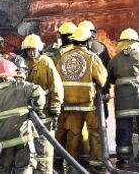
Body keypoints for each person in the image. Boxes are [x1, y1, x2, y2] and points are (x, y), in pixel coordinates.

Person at [55, 24, 108, 170]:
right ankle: (96, 163)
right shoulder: (92, 57)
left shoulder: (63, 57)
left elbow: (57, 80)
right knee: (95, 133)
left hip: (69, 103)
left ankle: (71, 163)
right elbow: (102, 79)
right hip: (88, 103)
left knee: (73, 133)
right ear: (87, 41)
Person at [107, 29, 139, 168]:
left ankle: (123, 158)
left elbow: (110, 79)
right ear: (136, 43)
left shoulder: (114, 60)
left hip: (123, 104)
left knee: (123, 130)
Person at [0, 59, 46, 174]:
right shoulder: (20, 86)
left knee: (2, 170)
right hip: (22, 139)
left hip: (2, 141)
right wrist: (37, 109)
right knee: (24, 168)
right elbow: (38, 92)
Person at [22, 34, 63, 174]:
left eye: (34, 50)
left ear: (40, 49)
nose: (32, 53)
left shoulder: (46, 62)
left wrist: (55, 108)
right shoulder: (23, 63)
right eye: (29, 50)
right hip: (26, 113)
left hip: (44, 112)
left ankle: (45, 171)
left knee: (44, 147)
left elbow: (56, 86)